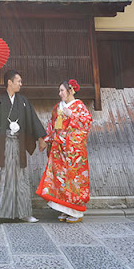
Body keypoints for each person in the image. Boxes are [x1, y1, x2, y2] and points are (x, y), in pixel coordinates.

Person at [0, 70, 47, 224]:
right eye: (18, 81)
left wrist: (41, 139)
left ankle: (24, 212)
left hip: (18, 145)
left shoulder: (23, 101)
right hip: (1, 145)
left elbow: (33, 120)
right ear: (9, 82)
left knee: (20, 178)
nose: (20, 83)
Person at [36, 79, 92, 223]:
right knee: (60, 179)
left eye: (62, 90)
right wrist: (45, 139)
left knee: (74, 180)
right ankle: (64, 209)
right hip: (59, 149)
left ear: (70, 91)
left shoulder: (79, 106)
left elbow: (86, 122)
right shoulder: (57, 107)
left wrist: (72, 115)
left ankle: (75, 212)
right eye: (59, 90)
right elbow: (52, 126)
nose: (59, 93)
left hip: (73, 151)